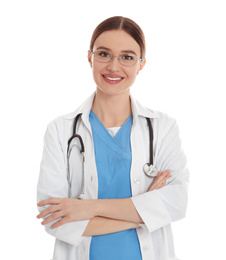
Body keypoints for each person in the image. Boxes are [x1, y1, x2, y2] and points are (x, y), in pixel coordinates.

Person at [37, 16, 189, 260]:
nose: (113, 67)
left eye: (127, 57)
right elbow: (54, 219)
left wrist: (88, 208)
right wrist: (145, 211)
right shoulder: (60, 131)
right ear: (90, 58)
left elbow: (176, 203)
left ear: (141, 64)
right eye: (104, 54)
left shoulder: (162, 128)